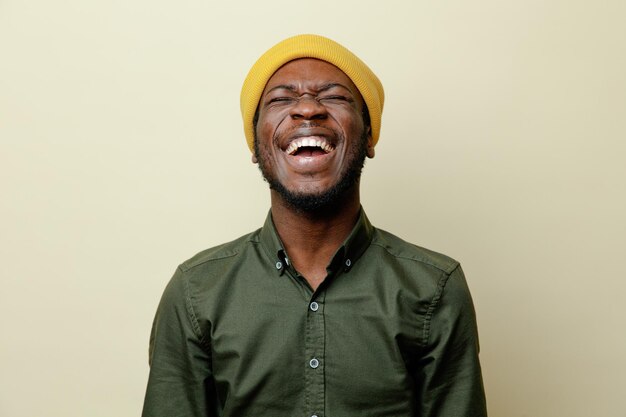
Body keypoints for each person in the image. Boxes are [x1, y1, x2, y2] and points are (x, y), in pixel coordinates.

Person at [142, 34, 487, 417]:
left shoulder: (434, 288)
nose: (307, 109)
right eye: (281, 99)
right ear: (256, 148)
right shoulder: (196, 292)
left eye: (334, 96)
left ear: (369, 135)